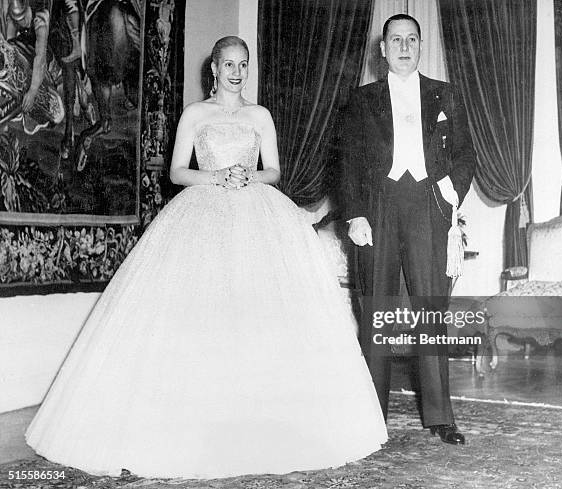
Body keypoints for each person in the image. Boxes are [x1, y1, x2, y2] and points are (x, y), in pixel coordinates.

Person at [26, 36, 387, 479]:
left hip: (256, 209)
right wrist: (215, 175)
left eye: (244, 64)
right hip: (202, 209)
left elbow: (274, 171)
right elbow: (177, 171)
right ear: (213, 69)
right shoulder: (195, 115)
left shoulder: (260, 115)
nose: (237, 72)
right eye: (228, 64)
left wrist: (247, 175)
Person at [340, 14, 476, 445]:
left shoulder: (445, 94)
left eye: (411, 39)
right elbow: (346, 163)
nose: (403, 46)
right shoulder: (362, 99)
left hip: (428, 205)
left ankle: (440, 415)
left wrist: (449, 191)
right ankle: (371, 413)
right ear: (382, 50)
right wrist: (356, 214)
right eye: (394, 40)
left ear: (420, 46)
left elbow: (465, 154)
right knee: (376, 307)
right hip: (377, 207)